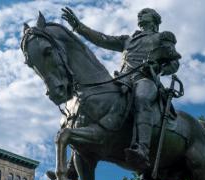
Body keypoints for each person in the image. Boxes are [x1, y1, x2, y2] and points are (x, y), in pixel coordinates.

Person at [62, 7, 181, 170]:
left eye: (144, 13)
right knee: (93, 104)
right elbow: (102, 39)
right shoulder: (128, 40)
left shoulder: (162, 37)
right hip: (122, 81)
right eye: (139, 14)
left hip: (145, 79)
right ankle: (73, 166)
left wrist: (158, 69)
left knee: (142, 99)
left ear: (154, 19)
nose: (140, 15)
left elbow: (174, 63)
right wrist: (78, 26)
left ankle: (142, 149)